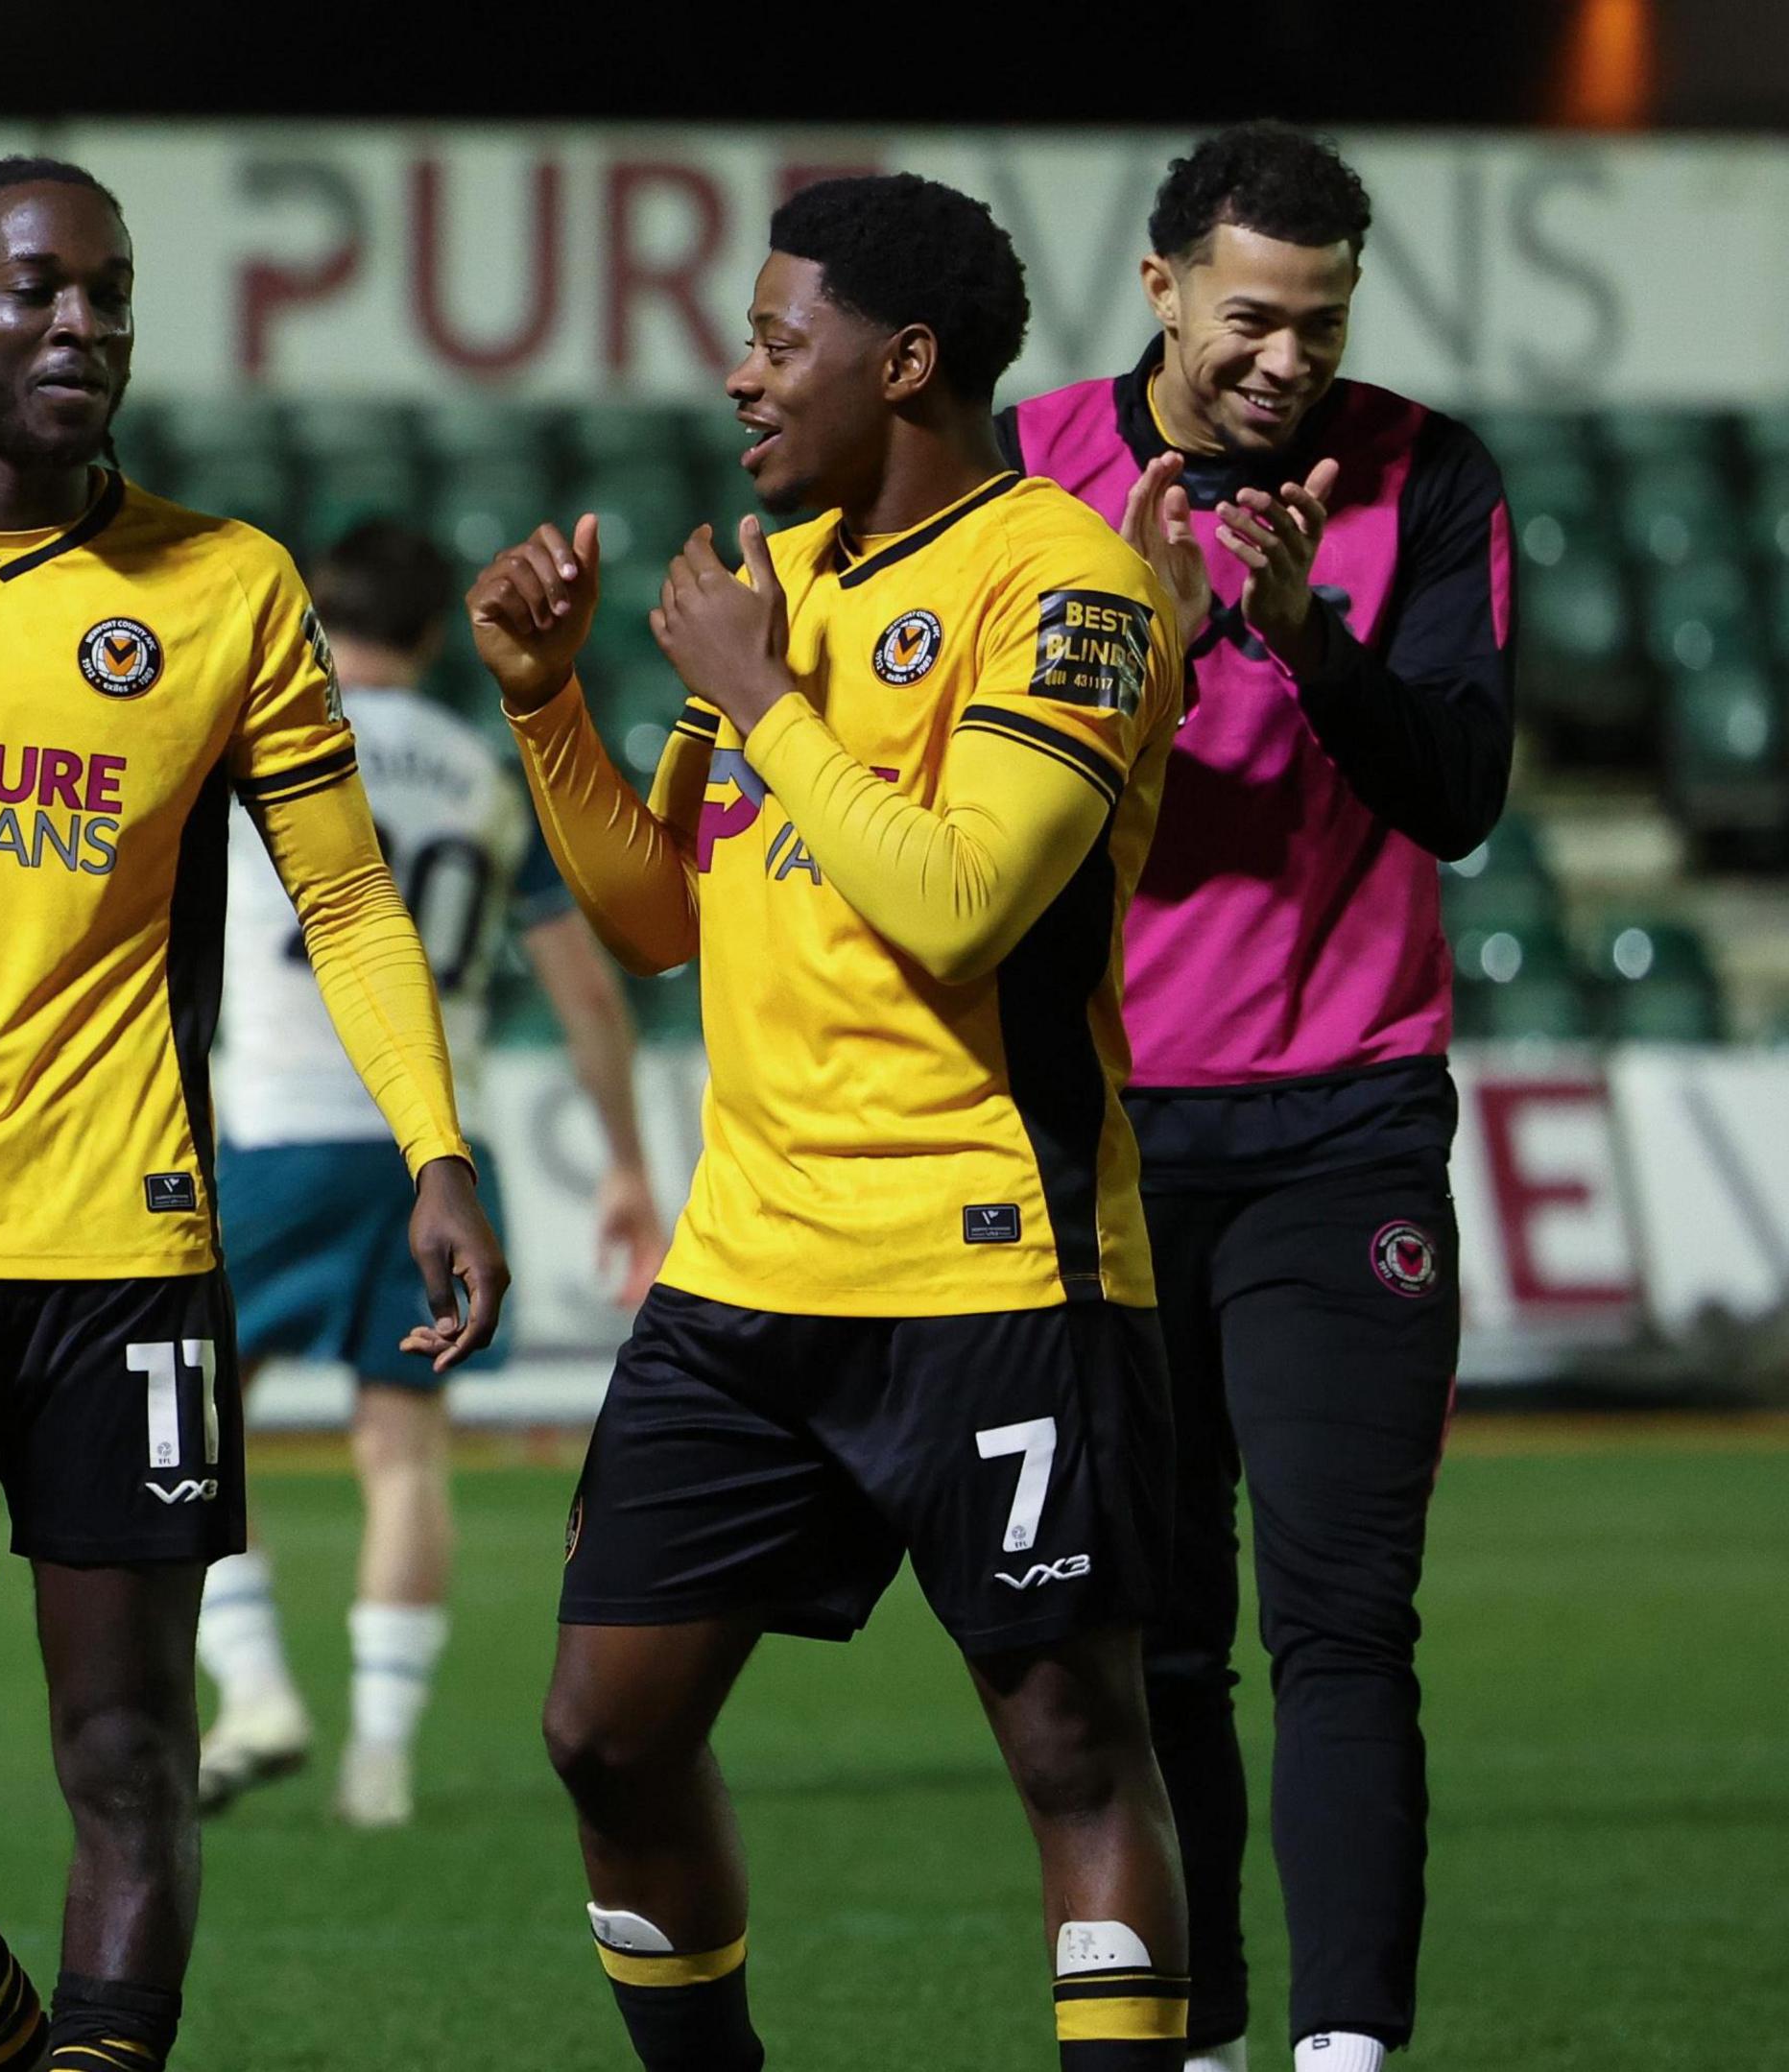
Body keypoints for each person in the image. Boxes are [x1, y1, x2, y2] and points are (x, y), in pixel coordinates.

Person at [0, 156, 511, 2072]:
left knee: (129, 1750)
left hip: (126, 1261)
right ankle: (1, 2038)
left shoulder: (226, 587)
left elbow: (350, 898)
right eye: (40, 291)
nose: (84, 328)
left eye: (111, 295)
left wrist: (436, 1153)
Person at [482, 173, 1196, 2072]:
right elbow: (654, 919)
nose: (739, 376)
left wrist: (756, 699)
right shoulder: (779, 579)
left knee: (1069, 1744)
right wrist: (550, 707)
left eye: (778, 340)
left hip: (997, 1257)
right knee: (601, 1731)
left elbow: (968, 898)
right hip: (748, 1271)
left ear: (908, 363)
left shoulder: (1072, 590)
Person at [1003, 122, 1512, 2072]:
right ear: (1156, 292)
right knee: (1158, 1644)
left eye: (1320, 322)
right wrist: (1145, 632)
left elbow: (1456, 790)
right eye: (1249, 319)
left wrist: (1307, 640)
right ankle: (1198, 2043)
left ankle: (1349, 2053)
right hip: (1109, 1132)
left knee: (1341, 1620)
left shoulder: (1425, 475)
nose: (1287, 360)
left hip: (1344, 1125)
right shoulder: (1031, 475)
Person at [190, 516, 669, 1829]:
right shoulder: (476, 768)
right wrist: (627, 1164)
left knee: (177, 1426)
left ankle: (255, 1690)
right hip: (428, 1153)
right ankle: (383, 1756)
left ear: (321, 619)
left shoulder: (270, 748)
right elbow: (583, 991)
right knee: (404, 1453)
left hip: (279, 1134)